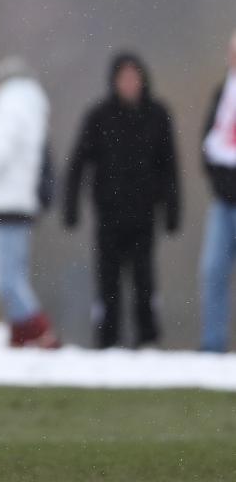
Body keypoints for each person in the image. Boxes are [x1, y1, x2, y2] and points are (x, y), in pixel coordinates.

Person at [65, 53, 180, 348]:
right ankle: (107, 341)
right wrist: (71, 206)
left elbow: (169, 167)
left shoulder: (158, 115)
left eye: (134, 78)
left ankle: (148, 340)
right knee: (108, 282)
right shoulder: (99, 117)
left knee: (145, 280)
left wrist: (172, 209)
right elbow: (78, 163)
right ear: (114, 82)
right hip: (108, 215)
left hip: (144, 214)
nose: (129, 84)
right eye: (123, 78)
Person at [0, 56, 59, 348]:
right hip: (17, 202)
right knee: (14, 274)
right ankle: (21, 334)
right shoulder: (29, 107)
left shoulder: (9, 107)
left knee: (3, 279)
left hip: (2, 202)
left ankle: (39, 330)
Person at [198, 31, 236, 352]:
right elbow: (208, 145)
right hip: (223, 202)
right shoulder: (222, 94)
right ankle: (212, 345)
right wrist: (218, 183)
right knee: (213, 272)